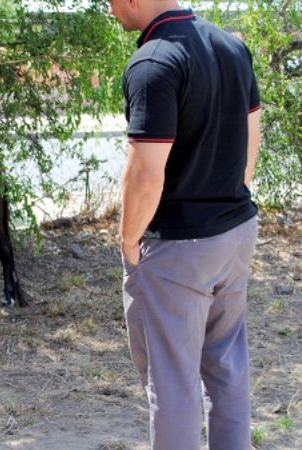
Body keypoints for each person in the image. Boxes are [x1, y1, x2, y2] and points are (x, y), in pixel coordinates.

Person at [108, 1, 262, 449]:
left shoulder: (154, 61)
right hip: (234, 234)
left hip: (178, 249)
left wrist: (128, 241)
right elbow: (251, 142)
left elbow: (145, 174)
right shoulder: (232, 48)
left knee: (172, 384)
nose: (108, 6)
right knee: (226, 368)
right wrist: (226, 198)